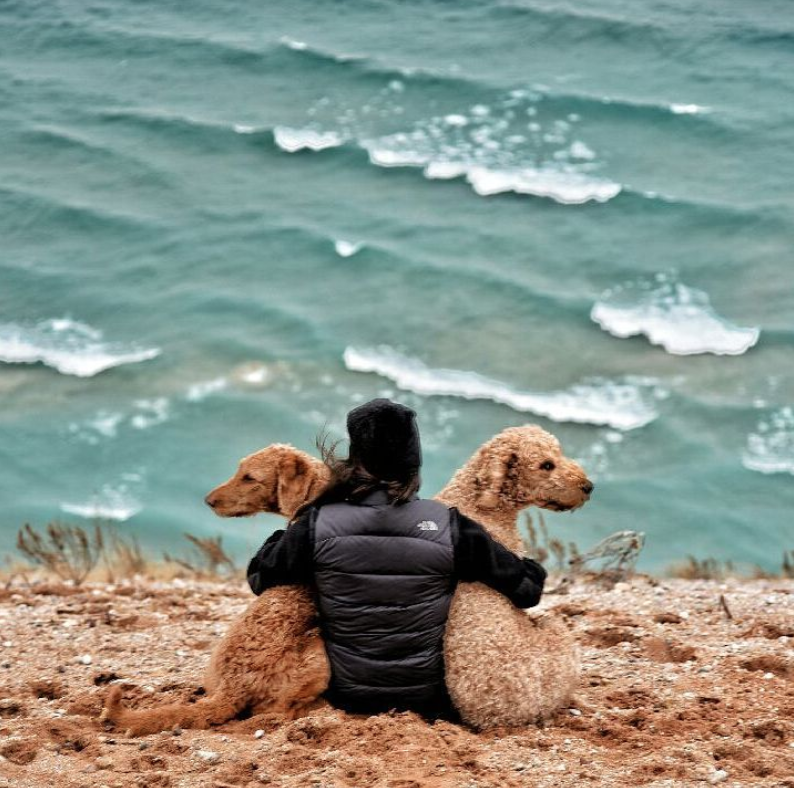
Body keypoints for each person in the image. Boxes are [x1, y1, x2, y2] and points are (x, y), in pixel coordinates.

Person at [246, 398, 547, 720]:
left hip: (346, 695)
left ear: (355, 460)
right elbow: (527, 592)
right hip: (429, 700)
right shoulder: (451, 525)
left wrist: (287, 531)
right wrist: (527, 566)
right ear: (413, 464)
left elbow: (260, 578)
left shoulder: (317, 523)